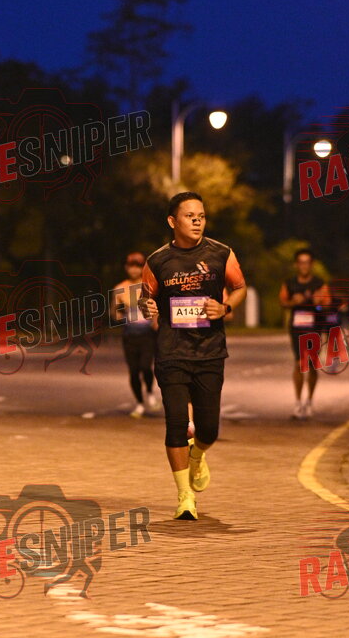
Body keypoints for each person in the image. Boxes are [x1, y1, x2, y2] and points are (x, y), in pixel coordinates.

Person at [139, 191, 247, 520]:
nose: (197, 221)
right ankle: (185, 496)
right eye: (190, 216)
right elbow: (145, 299)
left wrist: (225, 308)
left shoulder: (221, 253)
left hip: (210, 351)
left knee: (208, 429)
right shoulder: (157, 261)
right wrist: (146, 307)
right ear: (173, 221)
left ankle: (197, 454)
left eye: (201, 215)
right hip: (171, 350)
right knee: (175, 423)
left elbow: (240, 287)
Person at [279, 249, 331, 419]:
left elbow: (327, 304)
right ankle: (298, 402)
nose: (304, 266)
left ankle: (309, 401)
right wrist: (293, 302)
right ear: (296, 264)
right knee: (299, 363)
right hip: (297, 328)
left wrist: (319, 303)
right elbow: (283, 302)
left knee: (312, 364)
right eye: (301, 262)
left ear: (311, 264)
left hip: (314, 328)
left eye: (307, 262)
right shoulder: (290, 283)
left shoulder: (319, 283)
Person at [110, 252, 158, 417]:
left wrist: (156, 321)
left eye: (138, 266)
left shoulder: (150, 286)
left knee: (145, 366)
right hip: (130, 335)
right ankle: (139, 403)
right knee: (134, 371)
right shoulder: (120, 288)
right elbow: (115, 314)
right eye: (131, 266)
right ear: (126, 268)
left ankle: (150, 392)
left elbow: (157, 308)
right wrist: (120, 312)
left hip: (147, 335)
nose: (134, 270)